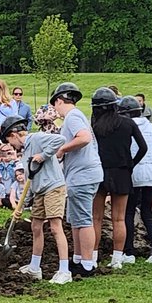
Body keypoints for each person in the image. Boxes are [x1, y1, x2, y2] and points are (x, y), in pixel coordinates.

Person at [4, 117, 71, 284]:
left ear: (14, 134)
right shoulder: (25, 153)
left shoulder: (36, 138)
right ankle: (35, 268)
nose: (12, 146)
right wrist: (22, 204)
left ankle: (64, 270)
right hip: (40, 191)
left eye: (10, 141)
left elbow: (60, 139)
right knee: (35, 226)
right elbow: (30, 181)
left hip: (54, 187)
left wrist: (43, 155)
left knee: (55, 227)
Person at [90, 87, 147, 270]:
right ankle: (117, 258)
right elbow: (143, 147)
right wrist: (131, 163)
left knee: (96, 218)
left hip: (100, 172)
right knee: (119, 219)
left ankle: (93, 255)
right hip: (122, 172)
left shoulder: (95, 126)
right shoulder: (128, 123)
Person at [50, 82, 103, 276]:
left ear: (58, 101)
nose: (55, 111)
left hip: (83, 175)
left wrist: (62, 150)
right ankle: (78, 259)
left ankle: (87, 264)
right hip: (79, 175)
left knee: (83, 220)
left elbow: (84, 138)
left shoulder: (72, 117)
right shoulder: (76, 116)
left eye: (54, 106)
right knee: (75, 220)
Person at [119, 96, 152, 265]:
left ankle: (128, 252)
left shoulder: (125, 128)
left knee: (128, 212)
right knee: (147, 213)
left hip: (134, 175)